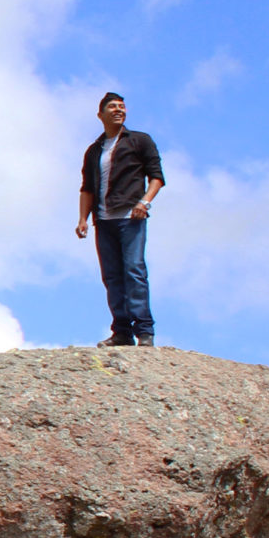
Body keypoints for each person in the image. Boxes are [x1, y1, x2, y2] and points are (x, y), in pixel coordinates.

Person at [75, 90, 164, 346]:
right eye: (112, 106)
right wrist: (83, 219)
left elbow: (156, 177)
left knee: (134, 271)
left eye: (122, 106)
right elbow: (87, 188)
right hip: (103, 220)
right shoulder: (94, 151)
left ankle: (144, 332)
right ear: (100, 114)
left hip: (131, 216)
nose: (118, 110)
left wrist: (144, 202)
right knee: (112, 276)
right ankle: (122, 332)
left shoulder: (139, 141)